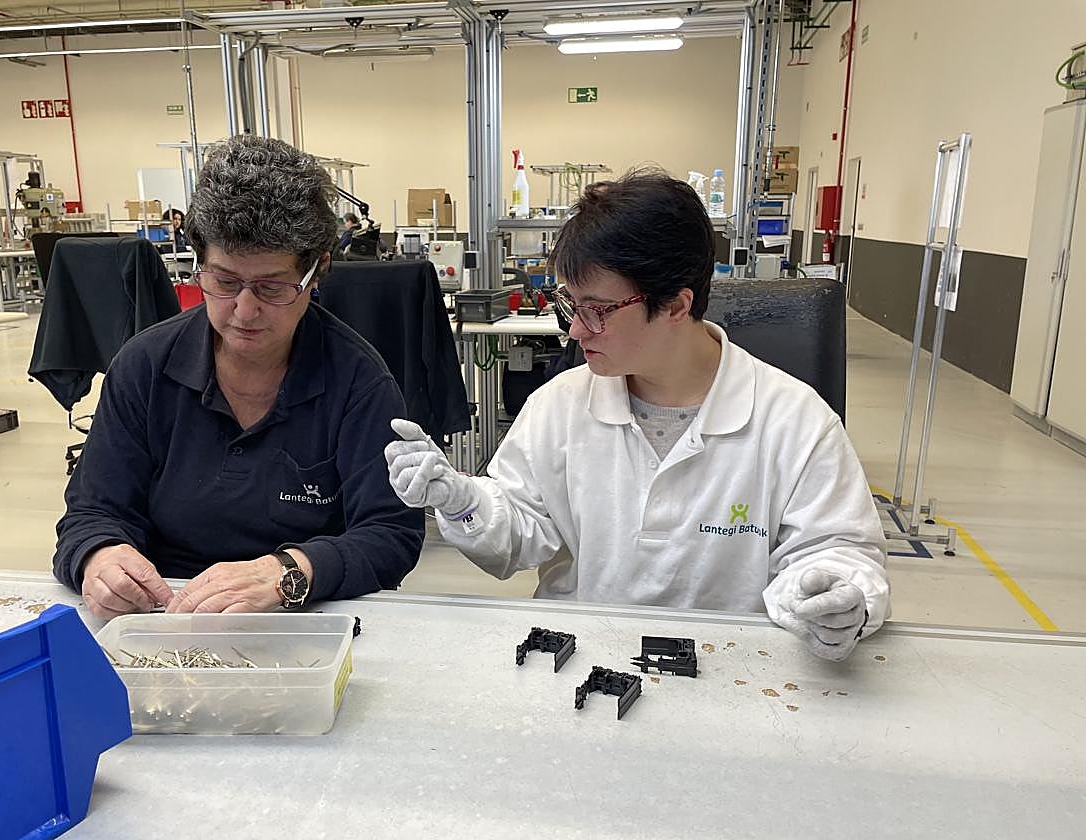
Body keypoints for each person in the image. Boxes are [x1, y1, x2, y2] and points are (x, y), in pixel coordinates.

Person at [384, 170, 889, 662]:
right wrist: (461, 500)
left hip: (733, 670)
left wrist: (835, 598)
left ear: (676, 305)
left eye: (598, 310)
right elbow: (518, 534)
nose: (575, 331)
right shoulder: (560, 406)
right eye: (570, 304)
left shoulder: (794, 420)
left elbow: (839, 551)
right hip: (583, 660)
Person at [54, 135, 425, 619]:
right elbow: (90, 513)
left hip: (302, 615)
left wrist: (291, 572)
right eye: (224, 281)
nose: (244, 311)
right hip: (165, 615)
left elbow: (392, 534)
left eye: (272, 287)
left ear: (316, 272)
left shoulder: (358, 381)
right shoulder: (144, 367)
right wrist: (100, 557)